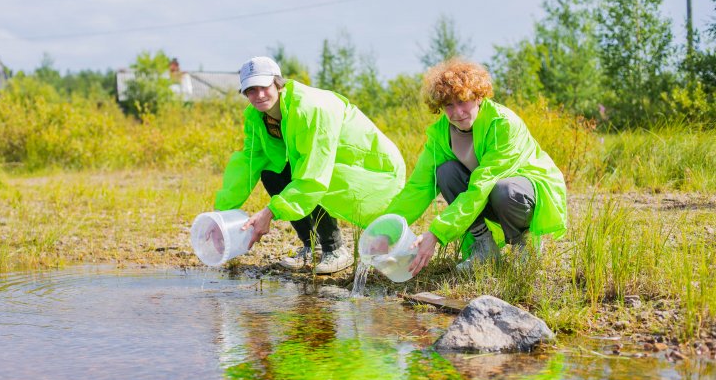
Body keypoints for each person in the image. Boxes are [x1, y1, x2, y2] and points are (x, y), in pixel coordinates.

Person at [213, 56, 406, 274]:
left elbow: (314, 176)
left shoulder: (310, 108)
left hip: (371, 168)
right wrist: (221, 214)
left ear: (277, 83)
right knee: (272, 171)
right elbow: (247, 163)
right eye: (250, 90)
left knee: (310, 177)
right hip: (325, 166)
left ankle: (335, 249)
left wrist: (270, 212)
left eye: (263, 87)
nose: (258, 95)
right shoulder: (257, 116)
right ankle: (310, 246)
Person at [384, 58, 567, 276]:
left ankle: (523, 245)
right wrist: (385, 232)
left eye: (462, 101)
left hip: (522, 195)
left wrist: (435, 234)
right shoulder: (441, 134)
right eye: (448, 105)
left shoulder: (503, 124)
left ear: (478, 97)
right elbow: (418, 187)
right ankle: (484, 249)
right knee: (445, 172)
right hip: (483, 195)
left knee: (504, 189)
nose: (457, 112)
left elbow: (481, 186)